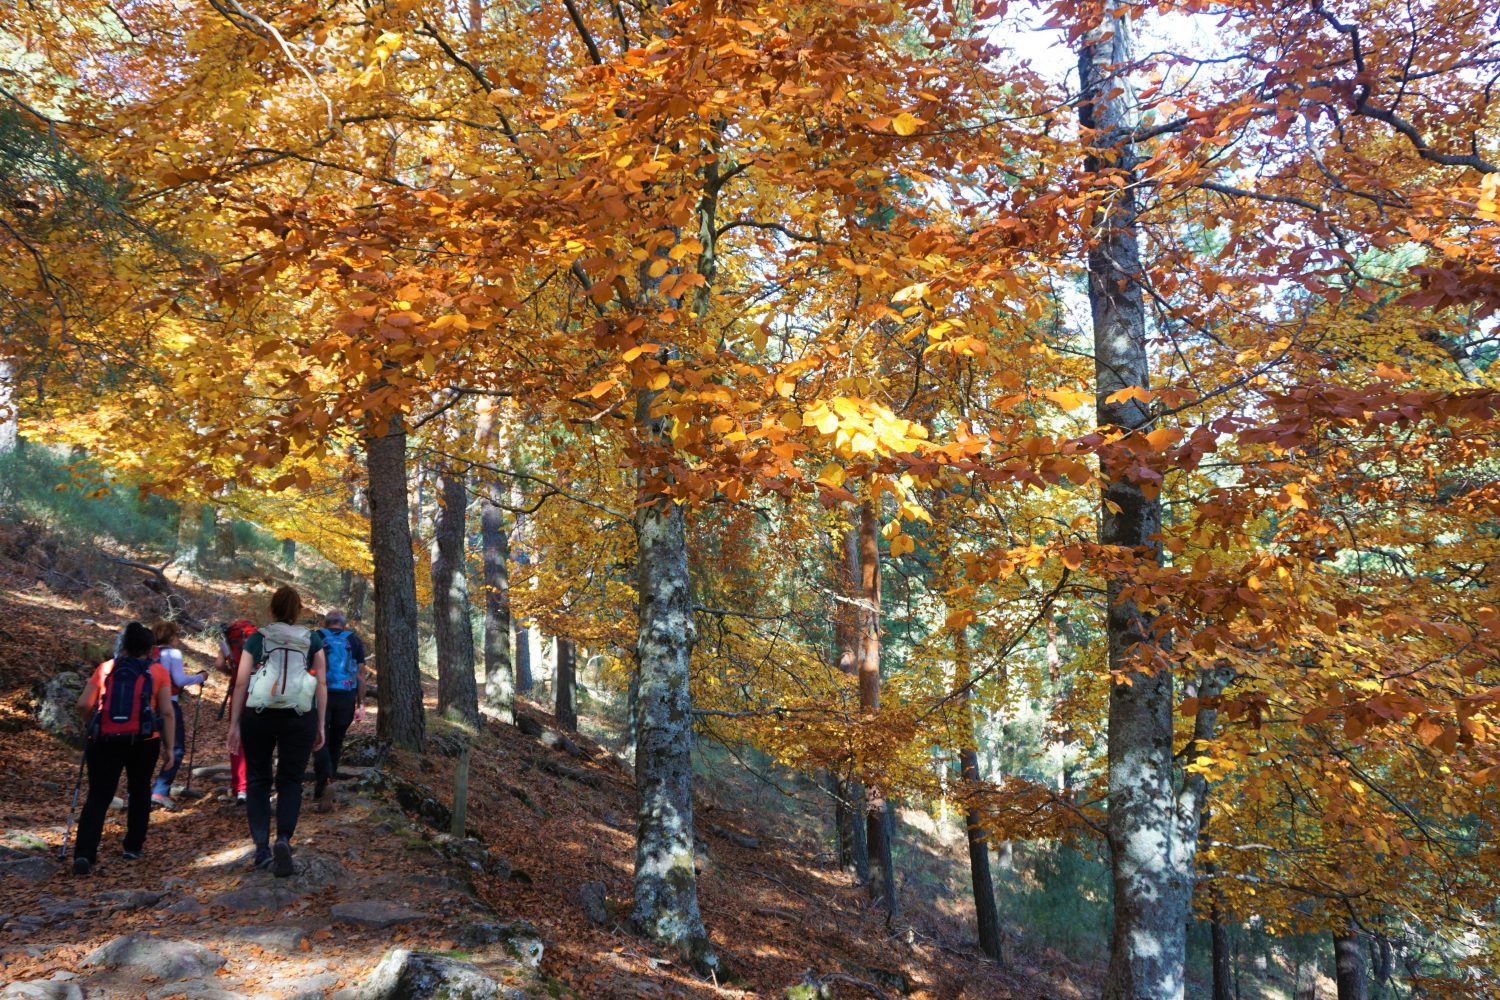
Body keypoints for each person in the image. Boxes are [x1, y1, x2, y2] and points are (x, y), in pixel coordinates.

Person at [226, 585, 326, 876]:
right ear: (298, 611)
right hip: (299, 715)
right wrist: (320, 723)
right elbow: (320, 682)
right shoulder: (313, 639)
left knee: (258, 779)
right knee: (291, 780)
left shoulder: (258, 638)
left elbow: (242, 683)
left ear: (272, 608)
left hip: (259, 715)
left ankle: (261, 849)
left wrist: (234, 724)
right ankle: (283, 838)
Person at [72, 622, 176, 875]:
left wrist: (94, 725)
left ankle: (85, 853)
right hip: (144, 741)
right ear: (149, 648)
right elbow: (166, 712)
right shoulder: (158, 672)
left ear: (124, 645)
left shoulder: (106, 668)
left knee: (99, 795)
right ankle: (133, 846)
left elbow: (83, 704)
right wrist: (170, 749)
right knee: (139, 791)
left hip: (104, 740)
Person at [150, 620, 208, 811]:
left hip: (148, 706)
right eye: (176, 636)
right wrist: (200, 677)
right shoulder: (173, 653)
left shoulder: (149, 653)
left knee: (150, 748)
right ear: (172, 637)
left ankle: (147, 792)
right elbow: (179, 679)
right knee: (176, 749)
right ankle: (159, 790)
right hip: (169, 704)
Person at [312, 609, 365, 812]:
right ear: (344, 624)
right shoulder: (354, 640)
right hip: (346, 696)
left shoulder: (316, 637)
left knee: (319, 739)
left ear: (325, 623)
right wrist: (361, 703)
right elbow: (360, 674)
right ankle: (330, 779)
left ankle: (323, 783)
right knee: (336, 740)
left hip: (320, 694)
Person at [217, 618, 257, 805]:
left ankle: (239, 787)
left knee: (237, 740)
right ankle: (254, 784)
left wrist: (232, 673)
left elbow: (219, 664)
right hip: (259, 691)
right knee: (257, 738)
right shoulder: (258, 637)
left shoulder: (228, 639)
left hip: (237, 692)